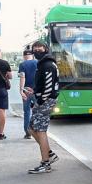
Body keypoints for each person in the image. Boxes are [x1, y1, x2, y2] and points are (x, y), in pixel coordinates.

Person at [27, 41, 60, 174]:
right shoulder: (43, 64)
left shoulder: (48, 65)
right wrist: (34, 92)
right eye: (34, 48)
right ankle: (49, 154)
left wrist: (39, 100)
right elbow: (43, 85)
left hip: (45, 101)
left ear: (46, 49)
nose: (36, 50)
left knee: (40, 130)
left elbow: (49, 86)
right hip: (43, 99)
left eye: (39, 48)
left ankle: (45, 163)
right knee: (31, 128)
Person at [18, 48, 37, 139]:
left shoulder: (22, 64)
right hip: (37, 91)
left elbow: (22, 77)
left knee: (27, 111)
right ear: (32, 55)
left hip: (26, 91)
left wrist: (21, 90)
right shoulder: (38, 63)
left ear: (24, 56)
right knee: (38, 111)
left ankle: (28, 133)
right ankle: (38, 132)